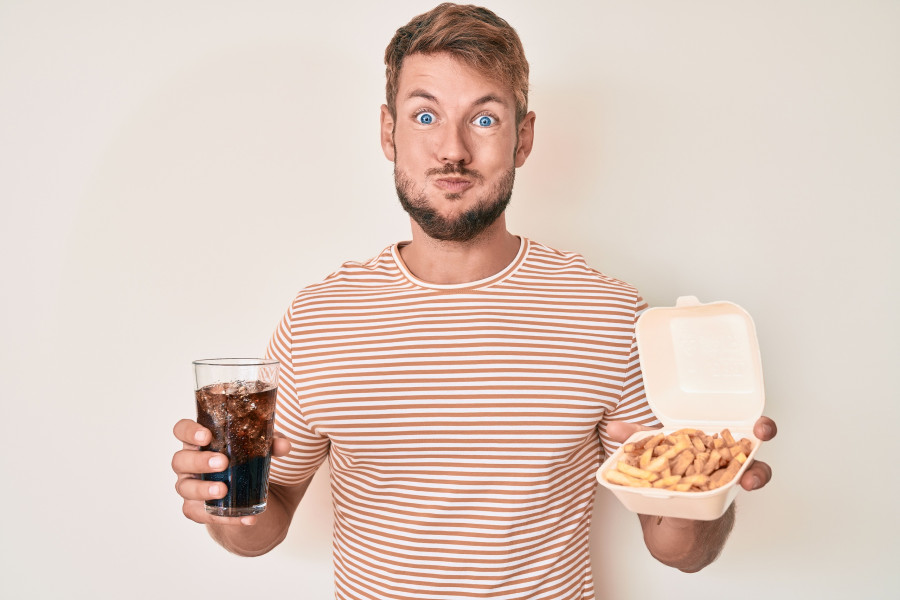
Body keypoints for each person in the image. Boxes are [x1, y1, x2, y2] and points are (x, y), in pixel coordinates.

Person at [172, 3, 777, 598]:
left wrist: (711, 487)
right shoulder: (320, 319)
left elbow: (676, 548)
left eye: (484, 119)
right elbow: (263, 525)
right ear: (388, 131)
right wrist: (223, 501)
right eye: (425, 116)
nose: (453, 150)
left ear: (524, 137)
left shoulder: (608, 313)